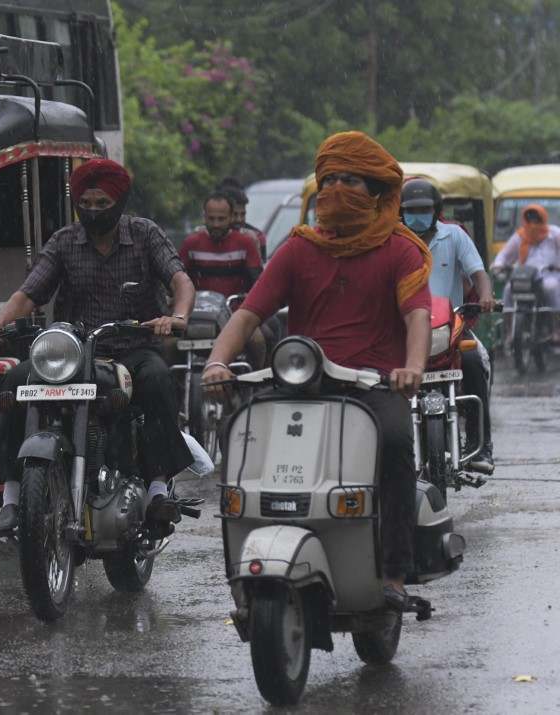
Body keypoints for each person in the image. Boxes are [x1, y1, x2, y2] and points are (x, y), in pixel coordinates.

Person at [203, 132, 432, 610]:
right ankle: (244, 563)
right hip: (301, 382)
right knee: (240, 437)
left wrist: (412, 368)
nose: (335, 190)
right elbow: (247, 314)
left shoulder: (400, 249)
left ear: (374, 191)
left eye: (349, 180)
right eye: (327, 180)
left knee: (394, 440)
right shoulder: (298, 249)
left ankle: (393, 570)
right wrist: (216, 362)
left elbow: (417, 317)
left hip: (373, 384)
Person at [0, 158, 196, 536]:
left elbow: (181, 281)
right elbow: (30, 293)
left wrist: (175, 316)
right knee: (14, 383)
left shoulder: (146, 235)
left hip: (133, 349)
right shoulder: (64, 241)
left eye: (102, 204)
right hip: (72, 353)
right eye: (86, 204)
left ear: (120, 203)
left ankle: (158, 487)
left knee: (158, 381)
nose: (92, 212)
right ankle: (12, 495)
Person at [400, 178, 495, 472]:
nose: (419, 214)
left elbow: (478, 272)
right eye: (412, 210)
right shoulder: (395, 240)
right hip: (403, 329)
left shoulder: (454, 235)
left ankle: (481, 447)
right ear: (401, 212)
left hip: (450, 326)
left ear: (436, 210)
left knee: (475, 362)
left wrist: (487, 295)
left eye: (425, 209)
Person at [180, 192, 268, 367]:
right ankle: (177, 386)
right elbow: (178, 278)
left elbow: (258, 282)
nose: (216, 224)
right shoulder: (191, 243)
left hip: (234, 313)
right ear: (204, 217)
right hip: (198, 314)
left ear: (230, 218)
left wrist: (247, 303)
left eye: (221, 219)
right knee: (166, 344)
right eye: (211, 219)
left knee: (258, 341)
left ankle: (256, 382)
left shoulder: (246, 243)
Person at [492, 203, 560, 342]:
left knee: (551, 288)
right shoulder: (520, 236)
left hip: (548, 275)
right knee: (508, 289)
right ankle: (509, 331)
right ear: (525, 220)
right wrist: (499, 265)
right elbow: (504, 255)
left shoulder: (554, 233)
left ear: (543, 218)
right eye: (530, 220)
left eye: (537, 219)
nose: (533, 223)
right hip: (525, 277)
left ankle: (555, 330)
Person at [220, 177, 268, 260]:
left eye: (243, 214)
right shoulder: (206, 235)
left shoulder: (257, 237)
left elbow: (261, 270)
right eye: (234, 214)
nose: (239, 219)